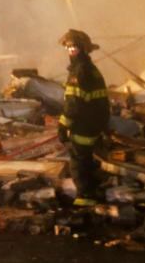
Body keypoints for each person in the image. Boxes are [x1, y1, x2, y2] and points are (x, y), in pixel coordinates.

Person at [57, 29, 110, 207]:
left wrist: (63, 125)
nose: (70, 50)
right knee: (88, 159)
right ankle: (93, 193)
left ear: (83, 49)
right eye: (68, 47)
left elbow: (74, 103)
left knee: (79, 162)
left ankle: (84, 200)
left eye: (73, 47)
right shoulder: (91, 69)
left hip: (84, 125)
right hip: (95, 123)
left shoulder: (79, 71)